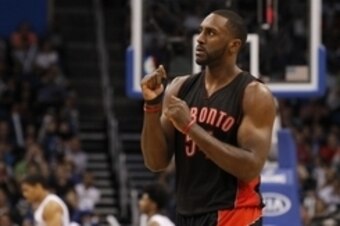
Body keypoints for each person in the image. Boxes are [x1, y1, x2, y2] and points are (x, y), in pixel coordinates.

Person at [140, 9, 276, 226]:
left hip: (235, 214)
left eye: (211, 33)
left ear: (234, 45)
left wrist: (190, 126)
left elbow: (251, 167)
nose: (200, 39)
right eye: (201, 31)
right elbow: (156, 162)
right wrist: (152, 105)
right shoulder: (179, 87)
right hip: (188, 213)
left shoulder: (254, 94)